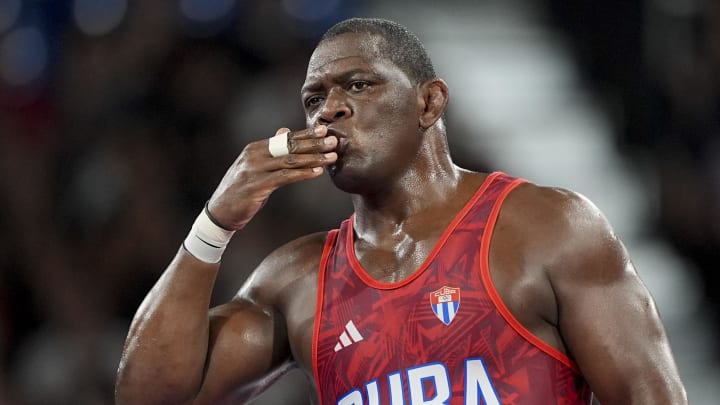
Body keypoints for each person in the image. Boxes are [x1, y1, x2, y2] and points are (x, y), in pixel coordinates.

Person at [115, 18, 687, 404]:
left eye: (357, 86)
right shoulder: (298, 281)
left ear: (429, 101)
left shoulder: (546, 227)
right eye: (314, 100)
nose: (329, 111)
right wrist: (214, 225)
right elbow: (149, 395)